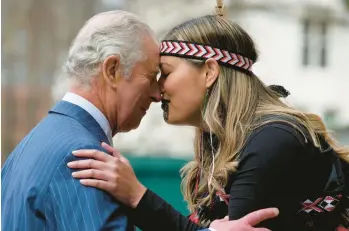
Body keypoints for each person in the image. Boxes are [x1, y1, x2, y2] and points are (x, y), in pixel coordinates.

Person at [67, 3, 349, 231]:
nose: (157, 90)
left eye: (165, 73)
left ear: (210, 72)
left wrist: (137, 196)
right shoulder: (220, 142)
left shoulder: (273, 139)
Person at [1, 10, 278, 231]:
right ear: (112, 70)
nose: (158, 93)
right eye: (151, 76)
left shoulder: (29, 146)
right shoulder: (84, 158)